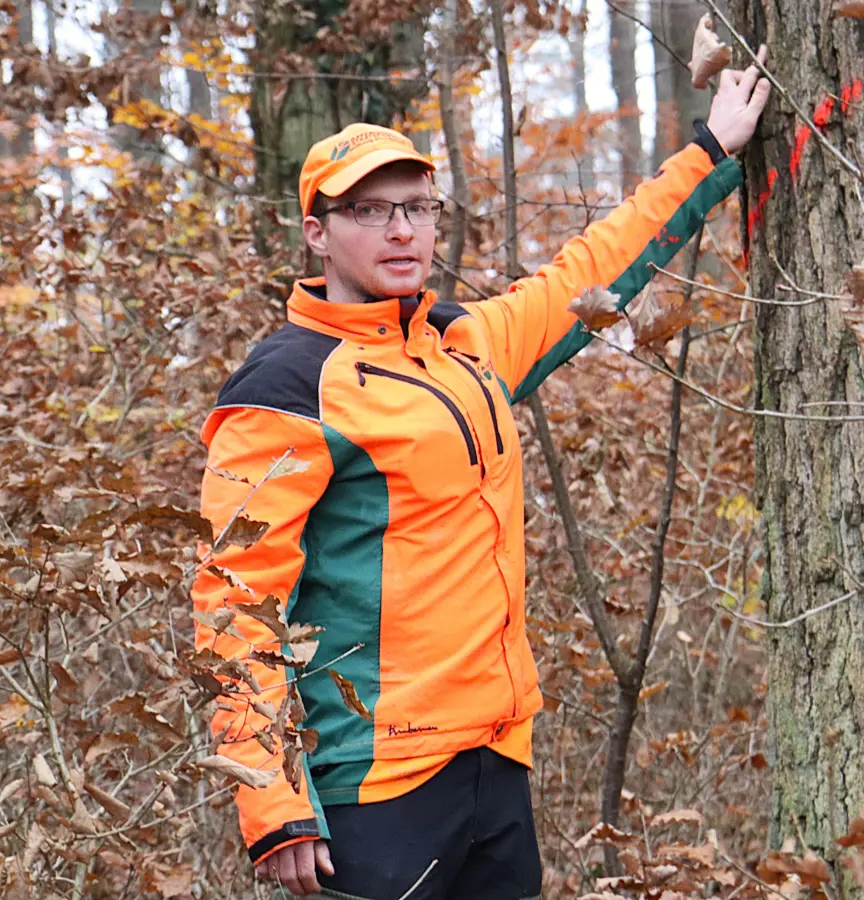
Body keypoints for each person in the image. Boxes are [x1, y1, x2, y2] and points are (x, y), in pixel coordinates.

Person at [190, 48, 771, 900]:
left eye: (417, 208)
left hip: (495, 764)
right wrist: (269, 798)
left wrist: (711, 151)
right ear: (317, 232)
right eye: (369, 211)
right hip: (374, 788)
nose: (401, 231)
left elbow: (590, 270)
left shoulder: (466, 344)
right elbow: (236, 596)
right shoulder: (285, 385)